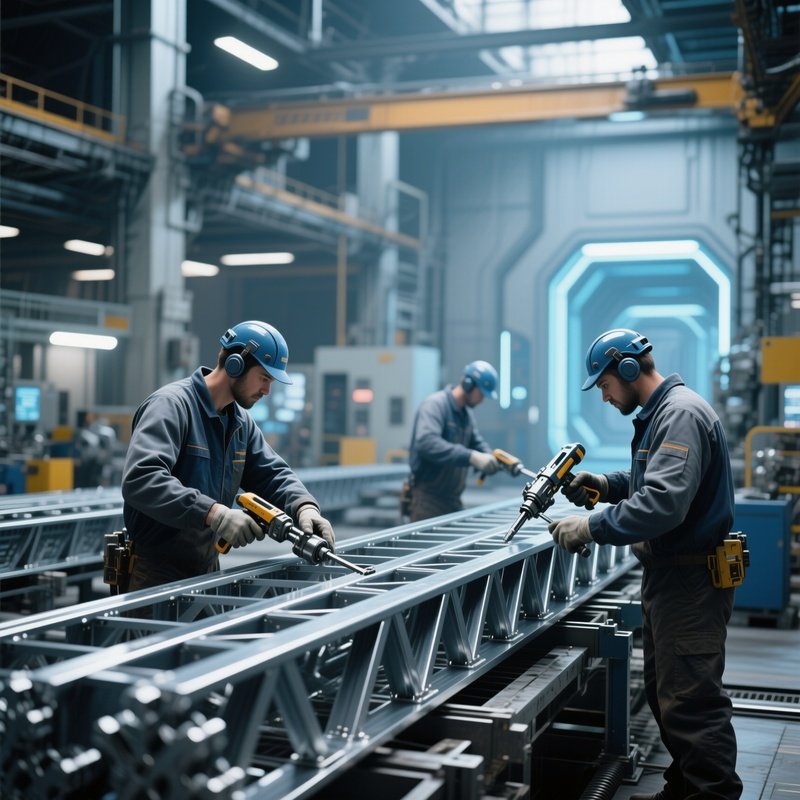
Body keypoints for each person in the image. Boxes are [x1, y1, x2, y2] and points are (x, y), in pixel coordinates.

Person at [549, 328, 742, 800]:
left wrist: (590, 526)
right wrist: (606, 485)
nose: (605, 397)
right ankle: (683, 789)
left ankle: (710, 794)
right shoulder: (663, 416)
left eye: (605, 385)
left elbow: (663, 505)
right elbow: (653, 481)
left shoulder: (679, 415)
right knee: (667, 695)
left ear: (628, 370)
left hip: (690, 582)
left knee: (692, 703)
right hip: (672, 577)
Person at [121, 320, 336, 591]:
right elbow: (142, 478)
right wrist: (214, 514)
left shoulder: (239, 423)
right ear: (236, 364)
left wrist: (304, 507)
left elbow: (272, 474)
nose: (267, 391)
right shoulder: (172, 406)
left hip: (206, 566)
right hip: (154, 571)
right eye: (265, 378)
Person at [406, 360, 502, 522]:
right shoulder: (435, 405)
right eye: (482, 394)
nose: (482, 400)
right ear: (468, 384)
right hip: (428, 501)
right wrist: (471, 457)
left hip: (452, 501)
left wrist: (494, 458)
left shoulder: (466, 414)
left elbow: (476, 443)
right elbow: (427, 441)